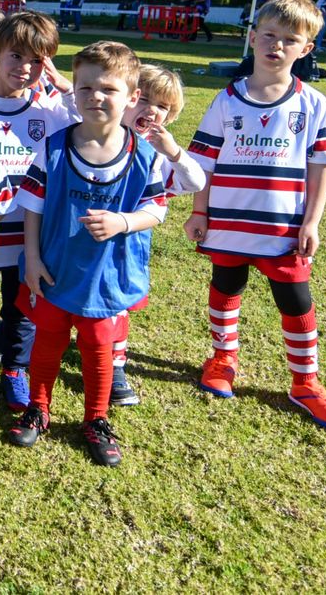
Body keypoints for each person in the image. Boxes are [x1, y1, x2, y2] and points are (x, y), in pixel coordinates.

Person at [185, 0, 326, 433]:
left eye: (290, 39)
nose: (276, 46)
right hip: (228, 222)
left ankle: (305, 383)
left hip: (284, 228)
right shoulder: (226, 100)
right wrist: (199, 212)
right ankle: (223, 358)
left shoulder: (313, 104)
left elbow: (321, 167)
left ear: (306, 48)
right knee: (226, 286)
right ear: (253, 37)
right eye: (270, 35)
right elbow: (204, 161)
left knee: (295, 300)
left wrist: (312, 222)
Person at [8, 41, 167, 466]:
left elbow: (156, 209)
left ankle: (96, 418)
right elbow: (33, 206)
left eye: (109, 89)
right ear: (73, 91)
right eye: (86, 88)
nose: (96, 97)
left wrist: (123, 222)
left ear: (132, 97)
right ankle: (38, 408)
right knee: (48, 341)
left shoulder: (143, 155)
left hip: (106, 275)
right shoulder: (55, 147)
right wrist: (33, 259)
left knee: (99, 348)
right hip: (55, 268)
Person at [0, 11, 79, 411]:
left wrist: (66, 87)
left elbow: (96, 126)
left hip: (29, 236)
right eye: (16, 56)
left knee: (24, 310)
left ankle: (14, 369)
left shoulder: (50, 108)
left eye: (37, 60)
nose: (25, 68)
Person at [111, 63, 207, 407]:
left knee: (118, 306)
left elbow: (196, 181)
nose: (152, 109)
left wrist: (174, 152)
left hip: (128, 244)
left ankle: (115, 365)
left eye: (163, 106)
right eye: (145, 99)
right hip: (82, 237)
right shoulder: (93, 136)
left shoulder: (158, 154)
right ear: (126, 97)